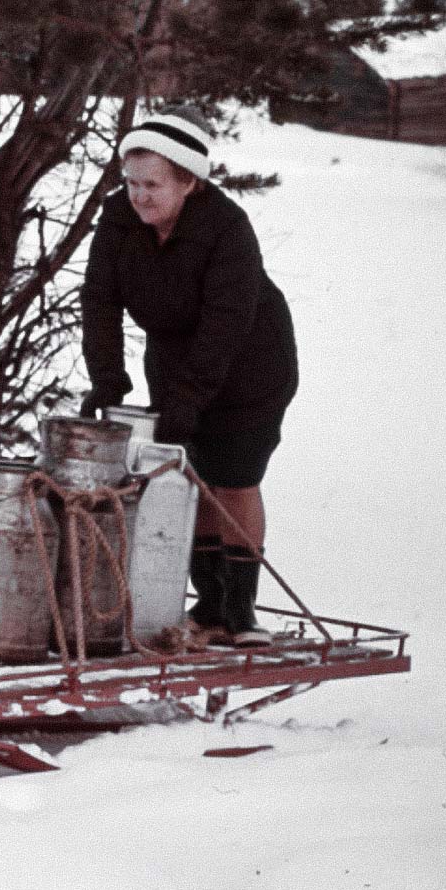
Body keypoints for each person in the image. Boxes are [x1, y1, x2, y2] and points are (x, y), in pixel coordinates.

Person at [79, 106, 299, 648]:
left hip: (251, 362)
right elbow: (100, 300)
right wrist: (107, 378)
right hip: (175, 358)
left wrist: (192, 399)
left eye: (153, 184)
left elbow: (226, 326)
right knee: (190, 475)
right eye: (131, 182)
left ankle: (240, 610)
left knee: (233, 474)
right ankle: (209, 602)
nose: (140, 196)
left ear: (189, 181)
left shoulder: (226, 229)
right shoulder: (118, 220)